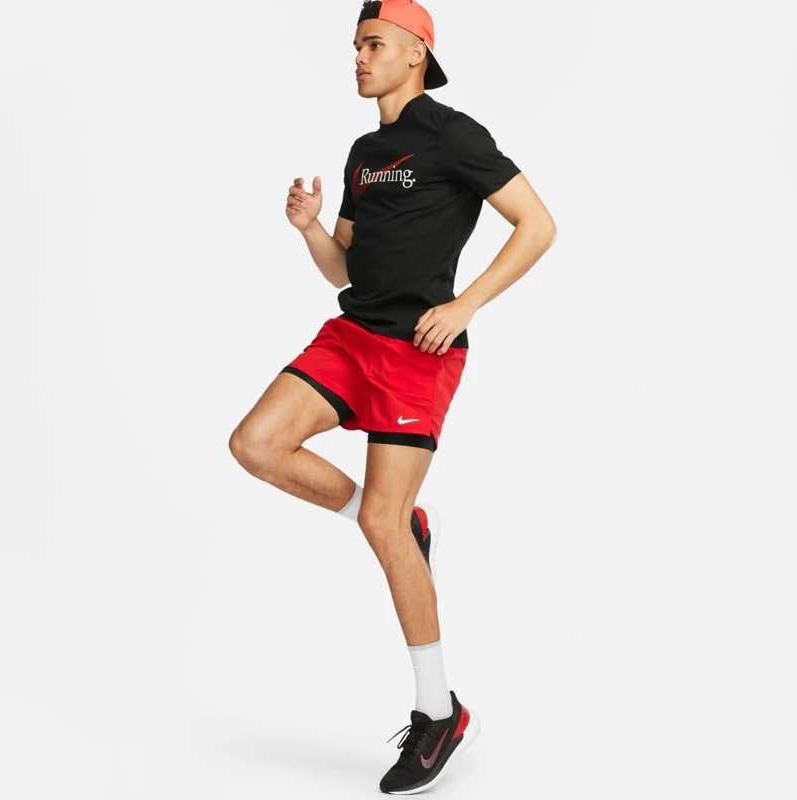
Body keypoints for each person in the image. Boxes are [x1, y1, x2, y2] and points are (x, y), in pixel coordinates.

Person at [229, 0, 556, 792]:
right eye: (355, 46)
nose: (359, 57)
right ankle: (401, 523)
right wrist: (312, 229)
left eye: (374, 44)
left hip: (419, 351)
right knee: (256, 445)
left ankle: (439, 712)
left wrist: (465, 304)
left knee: (381, 525)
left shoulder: (453, 134)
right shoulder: (364, 152)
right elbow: (344, 268)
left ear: (416, 53)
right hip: (353, 336)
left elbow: (537, 225)